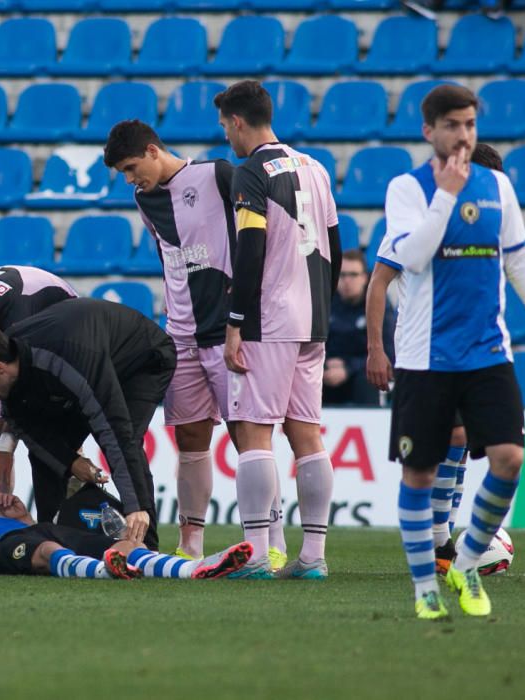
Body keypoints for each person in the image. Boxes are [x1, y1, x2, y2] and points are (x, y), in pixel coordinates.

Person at [373, 84, 525, 620]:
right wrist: (445, 197)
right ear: (428, 130)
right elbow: (410, 257)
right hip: (424, 358)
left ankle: (465, 562)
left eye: (470, 125)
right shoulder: (407, 188)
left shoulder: (498, 185)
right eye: (453, 125)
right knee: (420, 474)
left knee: (509, 459)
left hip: (487, 353)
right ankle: (425, 589)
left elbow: (520, 261)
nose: (463, 135)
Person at [103, 120, 276, 564]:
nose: (129, 178)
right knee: (190, 437)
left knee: (247, 436)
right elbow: (168, 258)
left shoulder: (218, 174)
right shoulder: (144, 198)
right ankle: (191, 544)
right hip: (180, 334)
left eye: (130, 167)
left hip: (229, 330)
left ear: (152, 150)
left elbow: (257, 235)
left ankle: (271, 543)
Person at [214, 80, 342, 579]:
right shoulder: (315, 168)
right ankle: (312, 556)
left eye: (226, 126)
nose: (226, 136)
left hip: (269, 319)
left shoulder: (251, 172)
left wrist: (236, 324)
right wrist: (322, 310)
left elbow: (251, 249)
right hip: (313, 317)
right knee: (307, 435)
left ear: (239, 122)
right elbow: (333, 239)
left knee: (253, 431)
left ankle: (252, 555)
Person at [367, 142, 504, 577]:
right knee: (436, 449)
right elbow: (378, 284)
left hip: (469, 349)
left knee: (461, 443)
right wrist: (376, 347)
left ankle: (442, 534)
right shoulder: (417, 221)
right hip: (418, 351)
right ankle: (437, 538)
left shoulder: (486, 227)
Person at [0, 297, 177, 551]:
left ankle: (146, 546)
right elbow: (34, 434)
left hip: (141, 361)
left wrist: (134, 506)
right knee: (46, 454)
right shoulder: (14, 367)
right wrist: (72, 462)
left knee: (123, 439)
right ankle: (51, 540)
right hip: (89, 361)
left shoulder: (69, 357)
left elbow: (115, 432)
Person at [0, 474, 252, 580]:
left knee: (125, 545)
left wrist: (22, 517)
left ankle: (197, 569)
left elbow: (27, 530)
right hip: (1, 554)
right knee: (46, 556)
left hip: (32, 532)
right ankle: (107, 572)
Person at [0, 265, 78, 519]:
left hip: (66, 342)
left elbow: (20, 383)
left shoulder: (17, 313)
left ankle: (75, 511)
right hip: (18, 347)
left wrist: (6, 449)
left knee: (10, 436)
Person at [324, 250, 395, 406]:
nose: (347, 281)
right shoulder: (326, 302)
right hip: (330, 373)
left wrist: (348, 367)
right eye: (342, 275)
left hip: (361, 374)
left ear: (364, 278)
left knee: (368, 380)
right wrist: (326, 364)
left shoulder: (378, 306)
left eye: (353, 275)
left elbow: (389, 354)